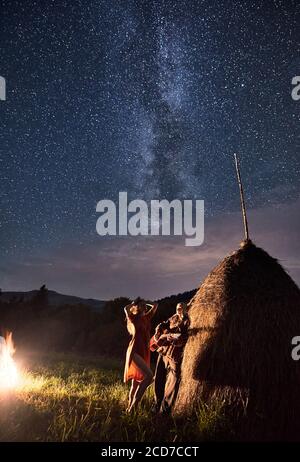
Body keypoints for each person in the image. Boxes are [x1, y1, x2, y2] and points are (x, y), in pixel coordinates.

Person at [152, 302, 189, 414]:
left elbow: (188, 337)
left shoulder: (188, 320)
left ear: (186, 308)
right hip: (164, 351)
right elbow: (164, 324)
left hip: (175, 354)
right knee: (159, 378)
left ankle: (164, 410)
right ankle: (156, 404)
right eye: (178, 308)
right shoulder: (174, 317)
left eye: (182, 308)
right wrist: (159, 329)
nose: (180, 310)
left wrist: (178, 339)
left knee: (174, 381)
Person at [124, 297, 158, 412]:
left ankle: (129, 407)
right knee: (149, 376)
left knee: (135, 383)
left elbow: (155, 305)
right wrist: (135, 303)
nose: (143, 307)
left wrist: (145, 302)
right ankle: (133, 407)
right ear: (137, 307)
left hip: (144, 350)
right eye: (141, 305)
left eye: (144, 305)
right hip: (134, 350)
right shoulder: (133, 317)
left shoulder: (147, 317)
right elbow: (126, 308)